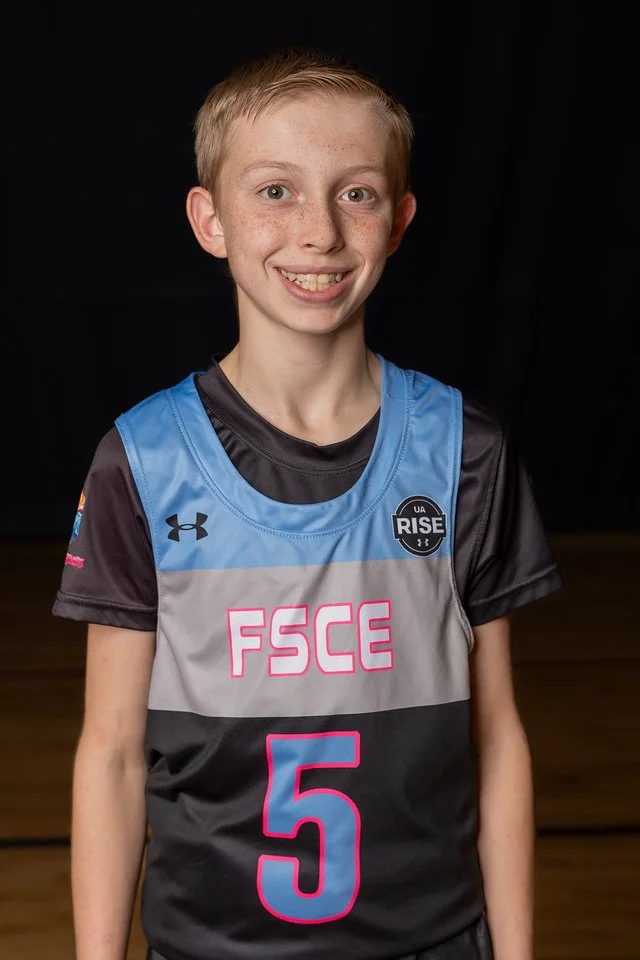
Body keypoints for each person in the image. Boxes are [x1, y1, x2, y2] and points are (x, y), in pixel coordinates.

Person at [53, 47, 562, 960]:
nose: (319, 231)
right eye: (276, 191)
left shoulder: (465, 451)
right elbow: (113, 753)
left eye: (356, 193)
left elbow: (498, 738)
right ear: (210, 220)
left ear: (399, 221)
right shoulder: (144, 459)